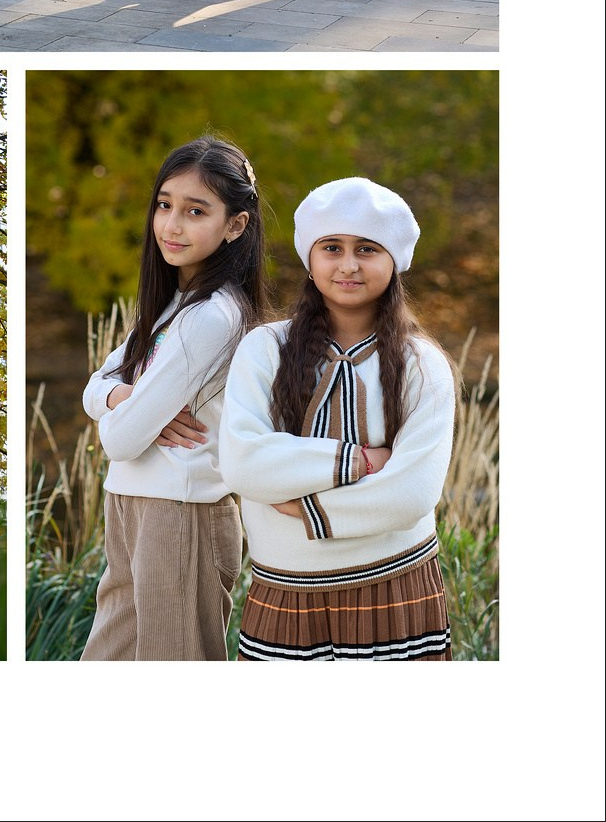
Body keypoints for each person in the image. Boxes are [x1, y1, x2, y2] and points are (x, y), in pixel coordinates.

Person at [222, 178, 455, 661]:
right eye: (332, 248)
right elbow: (244, 464)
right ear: (310, 260)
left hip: (395, 583)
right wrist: (363, 462)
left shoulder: (421, 363)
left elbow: (412, 494)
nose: (348, 265)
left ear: (394, 261)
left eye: (367, 249)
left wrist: (306, 506)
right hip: (285, 588)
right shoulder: (264, 349)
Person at [78, 136, 266, 661]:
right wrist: (128, 398)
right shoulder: (171, 305)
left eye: (195, 211)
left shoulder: (212, 315)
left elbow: (120, 441)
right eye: (164, 205)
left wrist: (133, 414)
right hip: (131, 503)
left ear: (235, 225)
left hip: (181, 513)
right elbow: (94, 386)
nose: (172, 225)